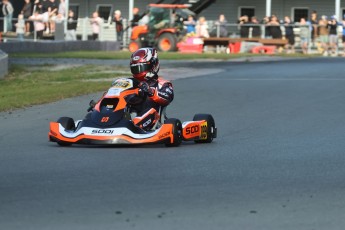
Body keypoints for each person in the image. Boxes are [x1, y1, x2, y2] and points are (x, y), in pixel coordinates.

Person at [128, 48, 174, 131]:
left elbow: (167, 97)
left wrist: (150, 91)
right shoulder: (130, 82)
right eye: (135, 69)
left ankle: (135, 125)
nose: (138, 72)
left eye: (141, 68)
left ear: (153, 66)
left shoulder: (162, 83)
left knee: (148, 102)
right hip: (129, 116)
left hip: (153, 119)